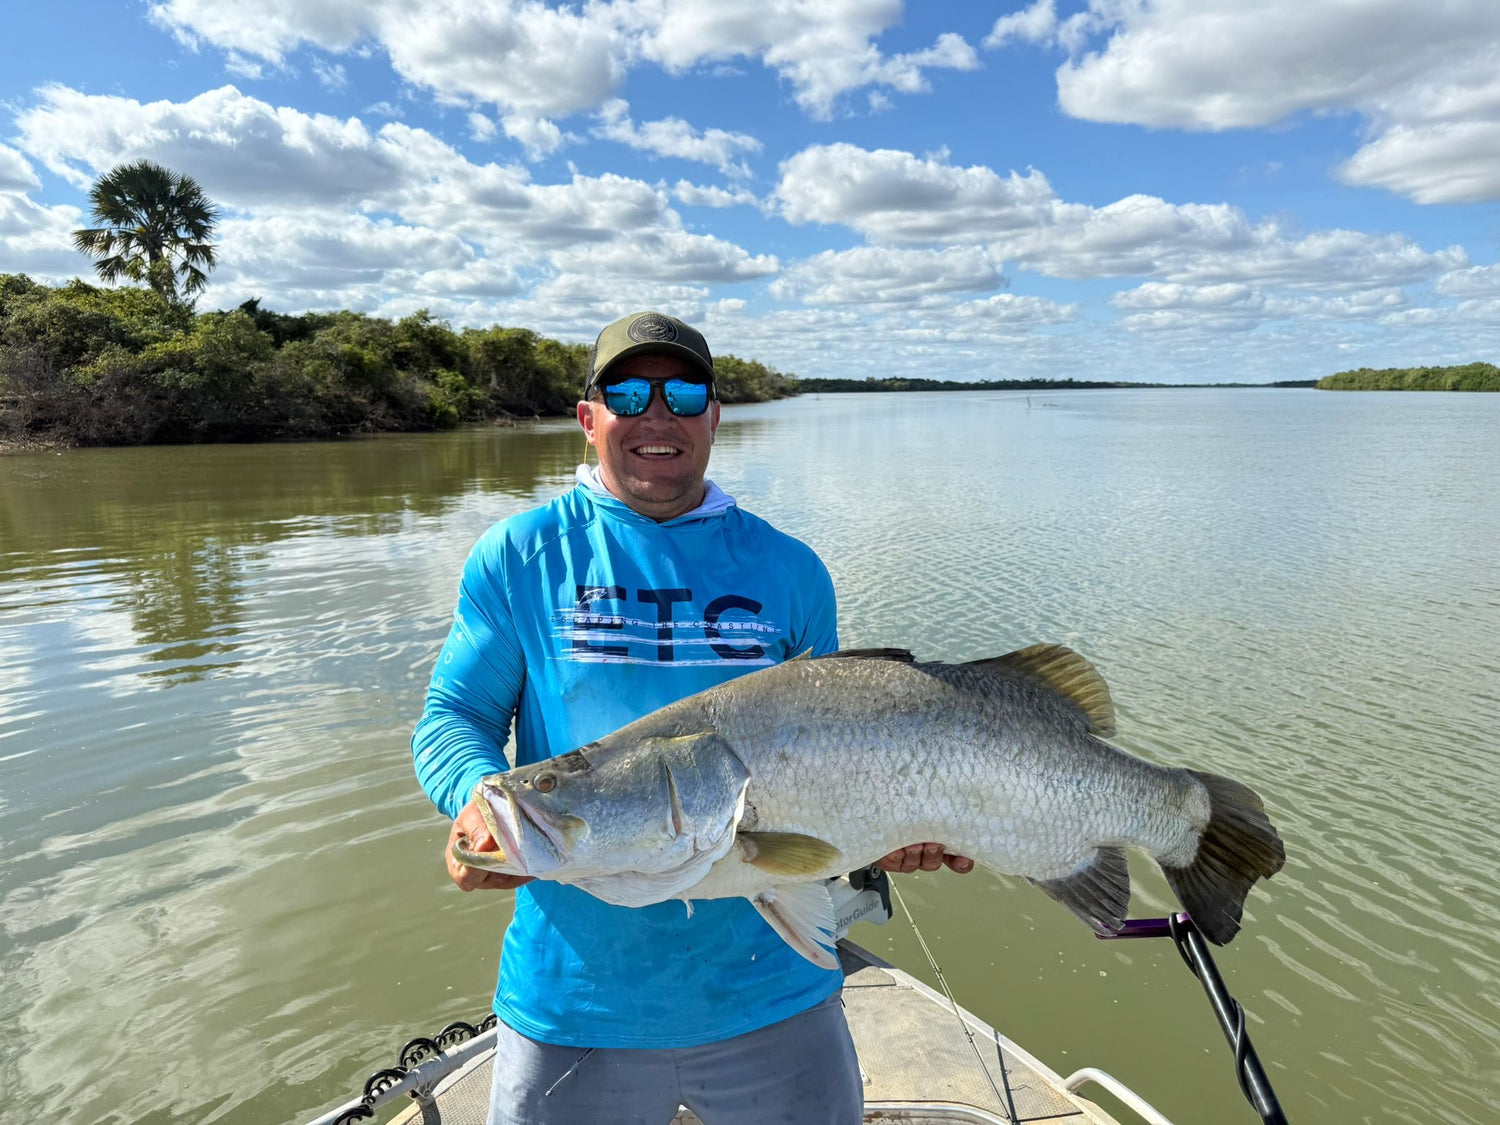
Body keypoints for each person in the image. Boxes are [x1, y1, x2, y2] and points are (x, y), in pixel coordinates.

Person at [411, 310, 972, 1125]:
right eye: (628, 392)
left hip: (776, 988)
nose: (656, 415)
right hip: (573, 1003)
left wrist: (892, 820)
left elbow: (842, 747)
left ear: (714, 416)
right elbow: (452, 713)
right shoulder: (521, 554)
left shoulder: (791, 571)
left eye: (683, 393)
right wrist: (474, 790)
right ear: (589, 417)